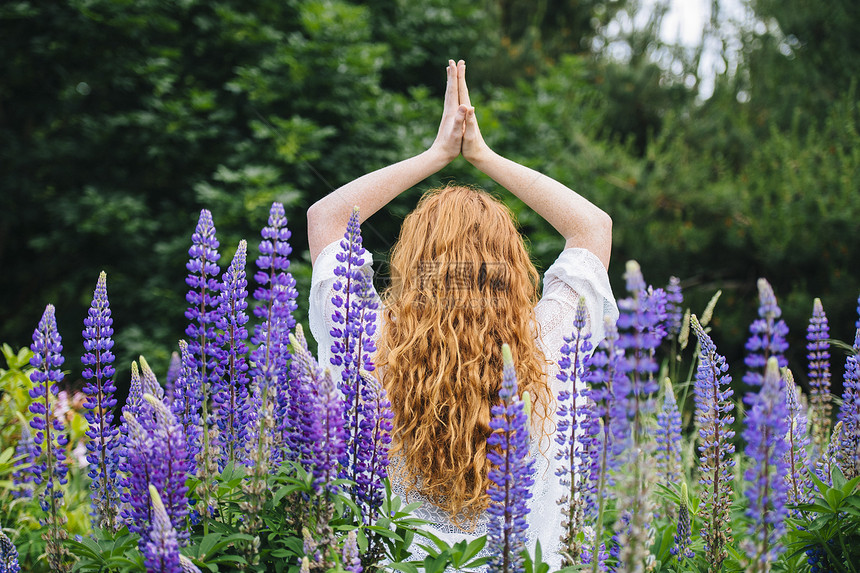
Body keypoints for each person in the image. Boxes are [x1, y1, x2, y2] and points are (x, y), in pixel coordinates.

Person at [307, 60, 618, 568]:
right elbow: (592, 229)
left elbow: (327, 219)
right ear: (512, 267)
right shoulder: (547, 348)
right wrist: (482, 154)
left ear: (413, 264)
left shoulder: (364, 339)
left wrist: (435, 155)